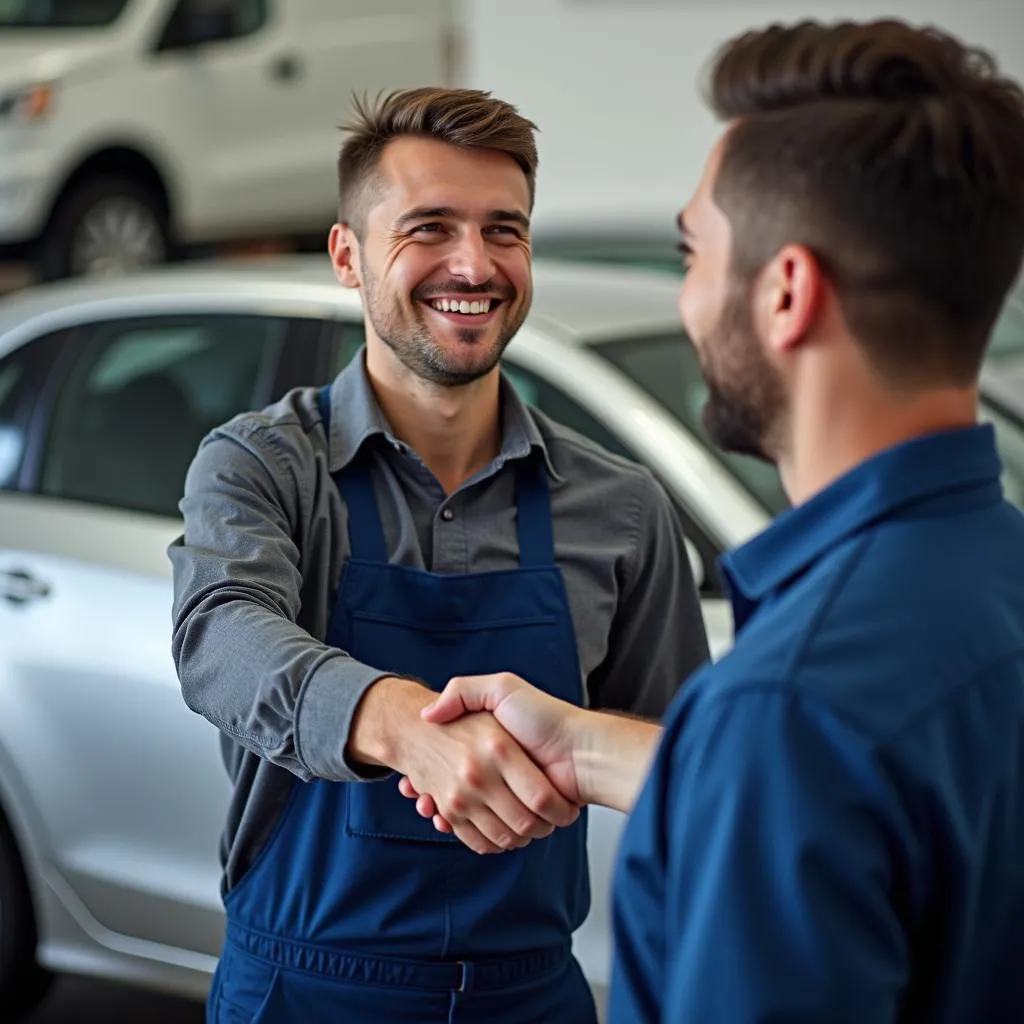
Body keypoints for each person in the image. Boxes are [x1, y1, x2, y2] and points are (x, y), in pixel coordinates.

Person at [400, 20, 1024, 1024]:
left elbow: (801, 757)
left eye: (692, 255)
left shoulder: (789, 706)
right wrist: (590, 746)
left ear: (785, 294)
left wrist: (733, 746)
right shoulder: (995, 577)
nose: (687, 300)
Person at [168, 87, 708, 1024]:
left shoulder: (621, 511)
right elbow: (219, 635)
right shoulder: (260, 465)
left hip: (533, 996)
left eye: (506, 229)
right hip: (302, 991)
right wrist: (405, 725)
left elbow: (689, 773)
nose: (475, 263)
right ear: (349, 255)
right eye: (430, 227)